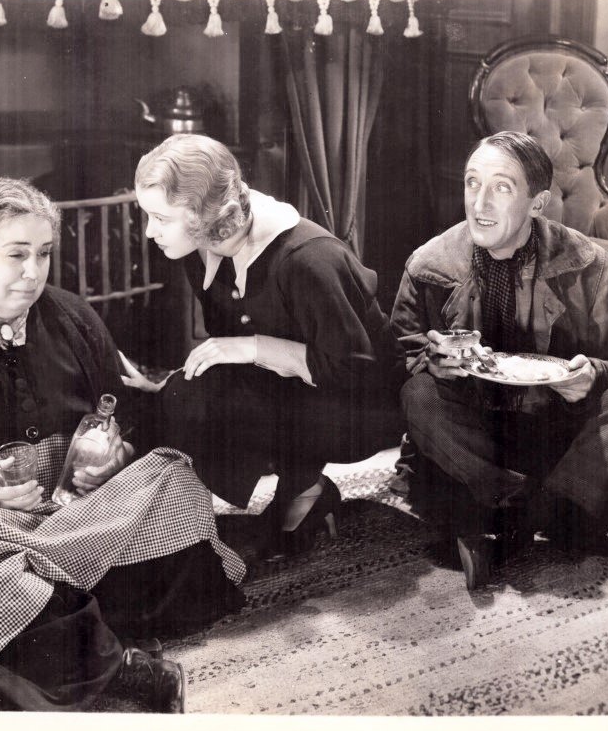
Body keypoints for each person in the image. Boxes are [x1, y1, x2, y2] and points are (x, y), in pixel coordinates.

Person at [0, 177, 246, 711]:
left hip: (76, 517)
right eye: (16, 254)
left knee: (174, 476)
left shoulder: (74, 316)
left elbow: (127, 416)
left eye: (44, 253)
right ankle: (114, 665)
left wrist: (117, 455)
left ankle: (31, 624)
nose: (33, 272)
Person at [390, 131, 608, 590]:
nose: (480, 203)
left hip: (563, 435)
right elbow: (395, 365)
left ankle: (518, 520)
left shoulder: (588, 264)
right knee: (418, 393)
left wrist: (592, 377)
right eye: (472, 182)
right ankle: (564, 513)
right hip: (477, 443)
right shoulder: (429, 265)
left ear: (538, 203)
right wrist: (432, 362)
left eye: (501, 187)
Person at [124, 134, 405, 559]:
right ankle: (298, 489)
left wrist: (254, 347)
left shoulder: (308, 259)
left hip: (364, 406)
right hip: (298, 388)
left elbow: (359, 371)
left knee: (196, 401)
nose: (149, 231)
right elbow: (229, 351)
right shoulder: (199, 248)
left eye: (161, 218)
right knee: (183, 396)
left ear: (207, 214)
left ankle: (302, 487)